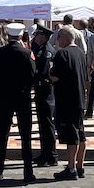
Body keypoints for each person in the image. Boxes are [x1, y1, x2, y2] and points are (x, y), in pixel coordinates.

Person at [0, 22, 38, 183]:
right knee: (25, 135)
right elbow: (33, 74)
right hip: (22, 95)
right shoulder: (27, 53)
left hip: (4, 95)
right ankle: (27, 171)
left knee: (1, 134)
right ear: (20, 36)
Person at [50, 25, 88, 181]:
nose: (57, 40)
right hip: (79, 98)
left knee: (72, 135)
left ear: (65, 37)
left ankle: (71, 167)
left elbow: (55, 76)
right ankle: (80, 166)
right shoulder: (80, 53)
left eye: (59, 37)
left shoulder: (62, 54)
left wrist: (48, 74)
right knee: (80, 133)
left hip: (66, 99)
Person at [31, 24, 58, 166]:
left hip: (46, 90)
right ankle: (44, 153)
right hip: (42, 90)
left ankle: (51, 155)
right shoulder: (41, 49)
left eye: (37, 35)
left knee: (47, 124)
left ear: (43, 36)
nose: (35, 37)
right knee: (43, 123)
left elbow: (43, 72)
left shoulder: (47, 51)